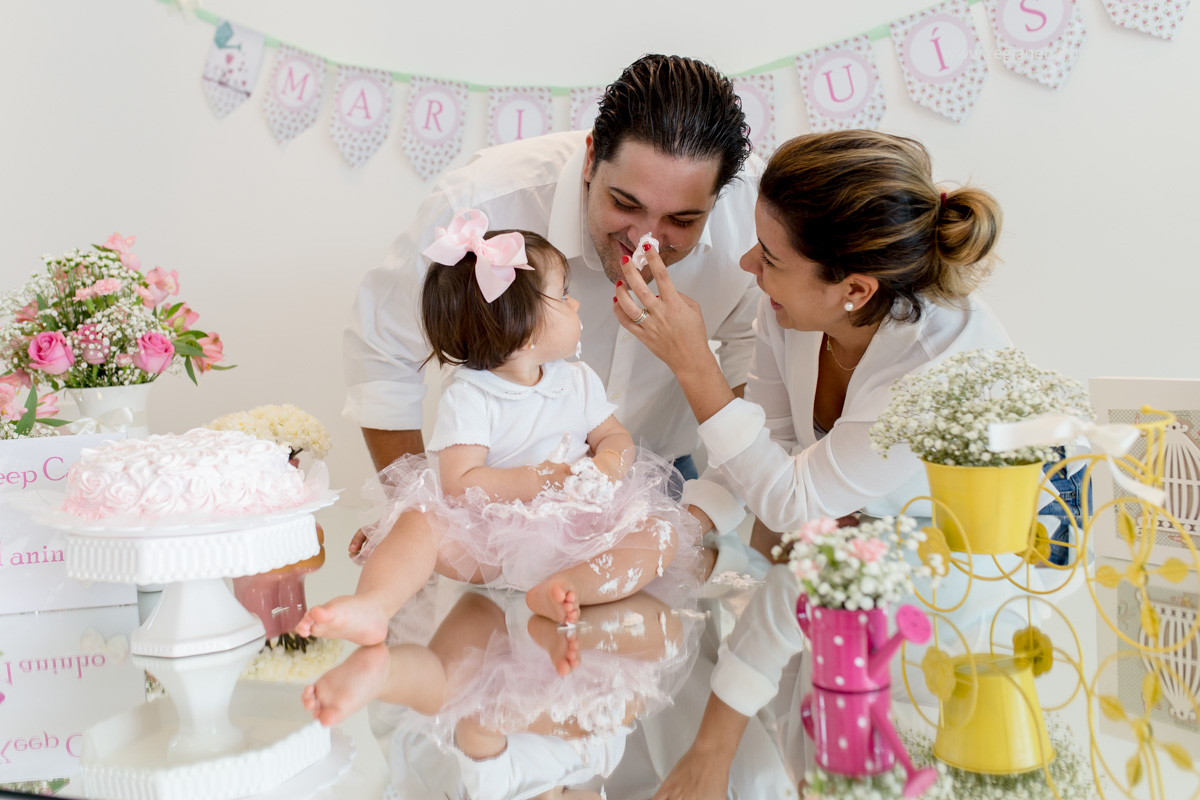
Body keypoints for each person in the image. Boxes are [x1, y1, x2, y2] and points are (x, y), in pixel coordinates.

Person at [609, 130, 1013, 797]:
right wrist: (678, 535)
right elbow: (758, 451)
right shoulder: (791, 310)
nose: (748, 263)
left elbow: (795, 505)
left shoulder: (938, 364)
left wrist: (694, 365)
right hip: (825, 608)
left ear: (854, 288)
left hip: (937, 634)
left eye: (769, 257)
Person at [343, 55, 762, 565]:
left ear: (718, 198)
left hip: (666, 484)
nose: (645, 239)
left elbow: (756, 375)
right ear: (591, 159)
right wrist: (419, 516)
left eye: (682, 220)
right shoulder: (483, 201)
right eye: (625, 204)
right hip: (496, 507)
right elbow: (383, 353)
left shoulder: (755, 221)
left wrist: (698, 514)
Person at [298, 218, 700, 644]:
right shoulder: (470, 393)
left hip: (584, 528)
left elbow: (613, 436)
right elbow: (459, 482)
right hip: (491, 539)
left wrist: (608, 466)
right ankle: (374, 604)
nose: (576, 303)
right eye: (562, 295)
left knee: (659, 533)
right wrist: (542, 478)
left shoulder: (577, 380)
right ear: (524, 328)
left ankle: (572, 587)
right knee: (420, 523)